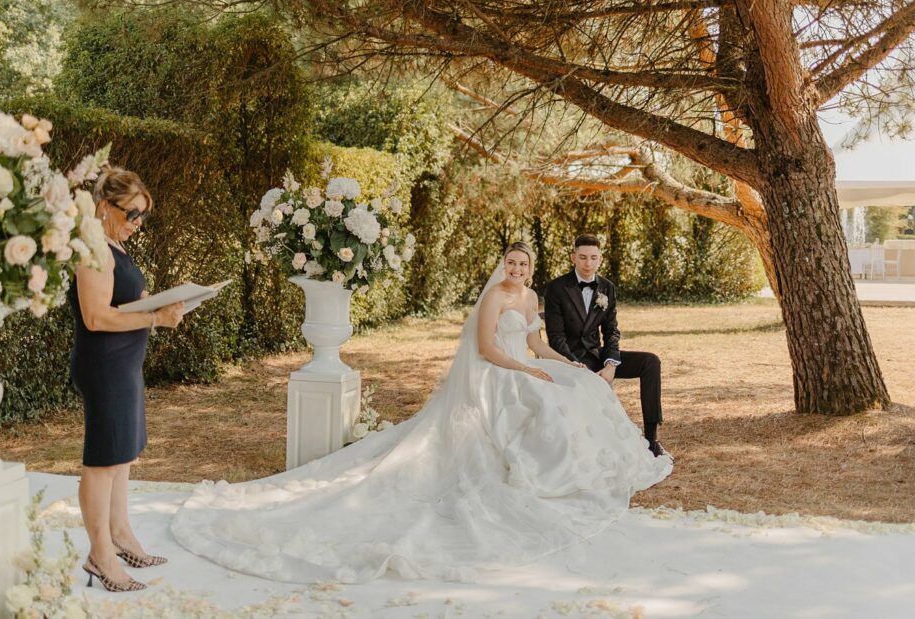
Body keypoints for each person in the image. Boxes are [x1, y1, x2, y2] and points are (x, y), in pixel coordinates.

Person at [171, 242, 671, 583]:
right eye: (511, 263)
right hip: (498, 372)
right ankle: (542, 472)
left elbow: (537, 343)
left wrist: (562, 364)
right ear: (502, 264)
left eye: (523, 264)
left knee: (575, 388)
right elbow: (488, 349)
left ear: (530, 268)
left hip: (525, 364)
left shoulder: (530, 296)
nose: (516, 270)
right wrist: (525, 369)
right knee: (539, 401)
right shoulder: (494, 298)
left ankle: (576, 469)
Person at [69, 165, 184, 592]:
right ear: (104, 206)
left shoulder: (114, 244)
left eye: (143, 215)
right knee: (102, 462)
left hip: (123, 364)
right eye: (132, 213)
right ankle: (100, 555)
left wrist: (161, 303)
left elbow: (122, 301)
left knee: (122, 456)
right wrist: (155, 317)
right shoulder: (93, 249)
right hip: (104, 366)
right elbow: (96, 317)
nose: (138, 223)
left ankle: (121, 536)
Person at [544, 234, 670, 459]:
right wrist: (576, 366)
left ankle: (652, 440)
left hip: (598, 356)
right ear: (573, 257)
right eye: (583, 257)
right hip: (571, 361)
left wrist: (611, 364)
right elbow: (556, 338)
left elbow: (611, 331)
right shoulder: (557, 288)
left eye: (593, 258)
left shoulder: (607, 287)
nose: (588, 263)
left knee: (650, 362)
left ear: (600, 259)